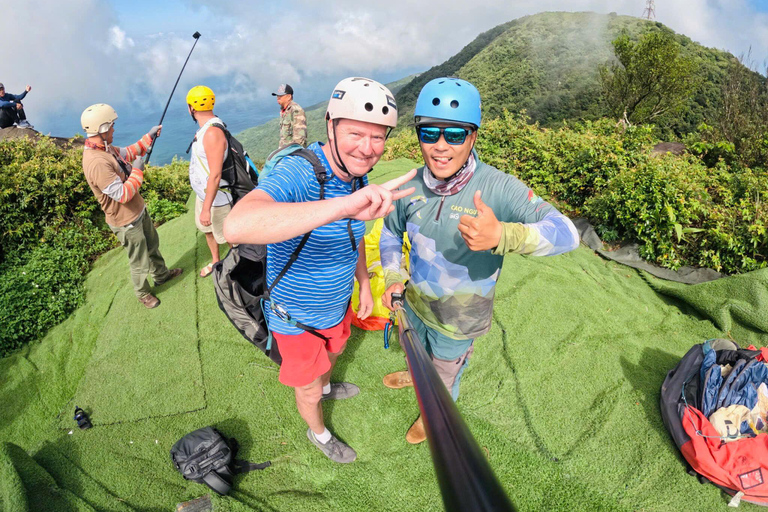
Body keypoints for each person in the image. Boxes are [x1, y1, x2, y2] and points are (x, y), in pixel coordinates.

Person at [225, 77, 416, 463]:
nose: (367, 148)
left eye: (378, 137)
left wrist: (363, 283)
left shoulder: (355, 175)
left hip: (335, 303)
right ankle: (319, 432)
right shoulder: (301, 172)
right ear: (330, 125)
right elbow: (237, 226)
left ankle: (326, 388)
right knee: (308, 388)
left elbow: (354, 234)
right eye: (356, 133)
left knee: (330, 360)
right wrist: (344, 206)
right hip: (295, 318)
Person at [380, 77, 580, 444]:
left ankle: (435, 414)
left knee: (443, 378)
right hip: (413, 306)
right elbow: (390, 231)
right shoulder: (409, 186)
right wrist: (393, 273)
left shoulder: (498, 188)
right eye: (429, 133)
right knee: (416, 354)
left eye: (454, 134)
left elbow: (567, 232)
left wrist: (505, 236)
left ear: (473, 137)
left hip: (459, 320)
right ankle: (415, 374)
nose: (440, 146)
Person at [81, 103, 182, 308]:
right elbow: (123, 194)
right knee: (139, 261)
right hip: (125, 220)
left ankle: (161, 276)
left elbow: (128, 152)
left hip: (138, 211)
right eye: (111, 126)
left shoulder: (105, 149)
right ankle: (143, 294)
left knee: (153, 245)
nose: (114, 129)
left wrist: (149, 137)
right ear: (101, 129)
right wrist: (138, 171)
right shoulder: (96, 162)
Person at [186, 85, 232, 277]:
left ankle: (240, 268)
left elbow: (215, 175)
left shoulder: (212, 133)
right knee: (208, 230)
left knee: (230, 237)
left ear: (192, 108)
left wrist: (206, 208)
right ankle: (216, 261)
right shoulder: (205, 130)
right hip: (205, 196)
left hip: (216, 199)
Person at [272, 83, 307, 148]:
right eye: (277, 95)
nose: (278, 97)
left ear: (289, 97)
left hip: (293, 154)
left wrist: (293, 155)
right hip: (284, 152)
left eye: (281, 95)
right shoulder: (284, 110)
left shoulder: (296, 110)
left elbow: (300, 138)